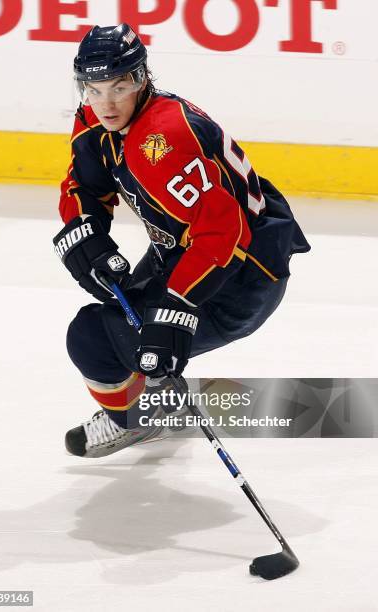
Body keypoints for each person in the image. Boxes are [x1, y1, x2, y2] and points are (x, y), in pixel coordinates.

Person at [53, 23, 311, 458]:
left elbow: (223, 231)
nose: (106, 103)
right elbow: (85, 185)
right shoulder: (96, 119)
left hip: (242, 279)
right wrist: (87, 232)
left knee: (93, 337)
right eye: (93, 89)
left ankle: (136, 419)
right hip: (183, 254)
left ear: (141, 78)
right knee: (121, 329)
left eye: (119, 86)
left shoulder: (161, 140)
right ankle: (153, 405)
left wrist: (178, 307)